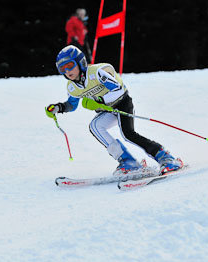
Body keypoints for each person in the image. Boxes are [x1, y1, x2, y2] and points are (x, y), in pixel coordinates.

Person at [45, 45, 183, 175]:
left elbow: (118, 89)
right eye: (62, 68)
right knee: (95, 126)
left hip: (122, 103)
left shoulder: (96, 73)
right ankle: (128, 161)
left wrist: (98, 101)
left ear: (80, 62)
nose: (67, 71)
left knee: (128, 134)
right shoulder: (72, 87)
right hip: (107, 110)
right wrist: (58, 108)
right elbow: (72, 104)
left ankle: (165, 157)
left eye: (70, 65)